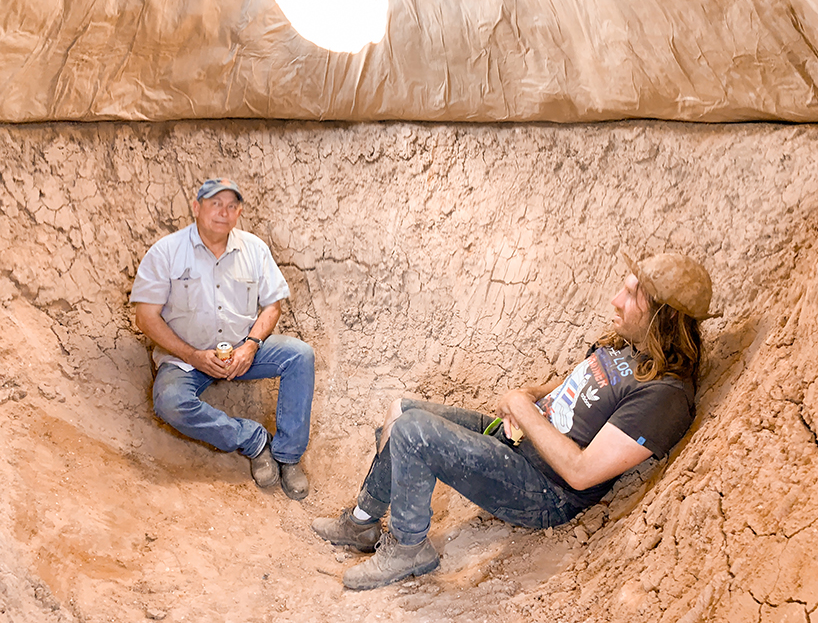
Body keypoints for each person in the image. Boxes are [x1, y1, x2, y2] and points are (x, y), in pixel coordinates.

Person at [313, 251, 712, 589]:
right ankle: (363, 522)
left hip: (545, 491)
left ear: (662, 316)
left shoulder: (664, 396)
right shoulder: (632, 346)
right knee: (402, 411)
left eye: (629, 294)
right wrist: (532, 395)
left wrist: (522, 409)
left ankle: (408, 547)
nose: (615, 300)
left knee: (413, 434)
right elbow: (579, 382)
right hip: (519, 443)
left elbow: (581, 472)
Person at [130, 178, 314, 499]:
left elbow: (273, 305)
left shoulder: (254, 249)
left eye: (231, 206)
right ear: (196, 207)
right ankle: (253, 440)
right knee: (170, 402)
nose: (223, 212)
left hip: (242, 347)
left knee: (300, 355)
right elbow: (145, 317)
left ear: (239, 211)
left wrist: (251, 345)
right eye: (215, 203)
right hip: (186, 358)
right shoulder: (166, 252)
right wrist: (192, 356)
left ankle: (287, 455)